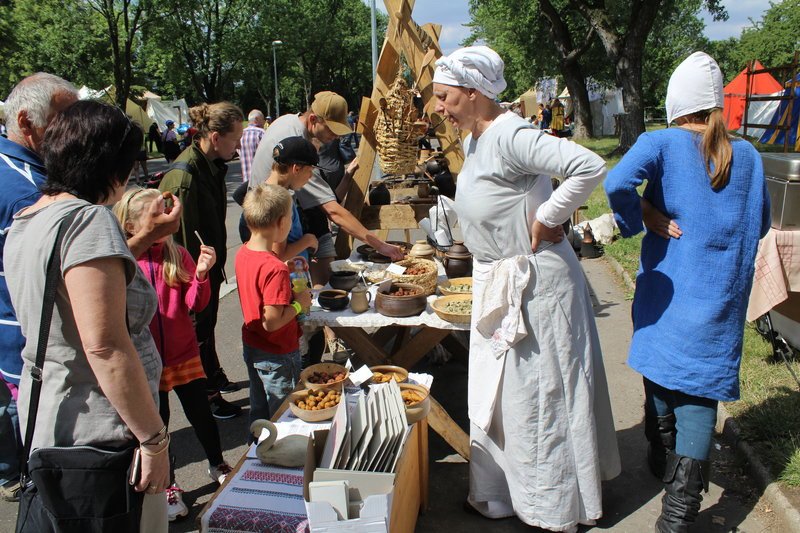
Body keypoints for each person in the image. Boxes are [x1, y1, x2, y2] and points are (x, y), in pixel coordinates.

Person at [432, 46, 620, 531]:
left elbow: (588, 166)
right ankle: (506, 492)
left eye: (445, 97)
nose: (439, 107)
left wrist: (549, 217)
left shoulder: (511, 133)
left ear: (473, 94)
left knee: (540, 395)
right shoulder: (477, 138)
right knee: (505, 397)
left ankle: (553, 505)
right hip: (503, 278)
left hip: (536, 285)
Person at [604, 51, 771, 533]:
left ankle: (665, 467)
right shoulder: (750, 156)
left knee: (660, 367)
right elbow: (758, 225)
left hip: (666, 290)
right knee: (699, 395)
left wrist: (642, 217)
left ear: (675, 104)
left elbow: (616, 181)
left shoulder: (661, 142)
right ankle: (678, 511)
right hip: (719, 294)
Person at [5, 99, 170, 532]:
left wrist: (146, 236)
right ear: (112, 167)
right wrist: (154, 442)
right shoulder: (88, 219)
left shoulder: (29, 218)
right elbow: (105, 344)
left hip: (54, 422)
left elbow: (78, 292)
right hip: (101, 432)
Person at [114, 188, 233, 521]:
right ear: (129, 225)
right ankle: (169, 485)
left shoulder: (177, 253)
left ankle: (217, 463)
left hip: (183, 353)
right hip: (146, 361)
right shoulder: (123, 259)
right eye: (155, 217)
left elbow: (195, 303)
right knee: (159, 426)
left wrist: (203, 274)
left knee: (202, 414)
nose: (166, 221)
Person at [0, 72, 78, 504]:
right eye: (64, 121)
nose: (74, 131)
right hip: (35, 348)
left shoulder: (27, 174)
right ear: (28, 123)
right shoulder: (28, 191)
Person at [249, 91, 403, 286]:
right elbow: (333, 210)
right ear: (313, 119)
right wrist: (380, 245)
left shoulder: (288, 120)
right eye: (332, 130)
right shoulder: (297, 149)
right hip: (270, 223)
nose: (336, 136)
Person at [159, 102, 244, 419]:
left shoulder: (210, 164)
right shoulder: (185, 176)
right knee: (197, 336)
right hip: (194, 278)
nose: (238, 147)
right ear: (217, 137)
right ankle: (208, 397)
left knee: (206, 331)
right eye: (235, 140)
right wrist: (195, 283)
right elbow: (177, 244)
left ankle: (213, 376)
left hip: (208, 270)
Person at [235, 183, 312, 425]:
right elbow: (271, 321)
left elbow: (258, 287)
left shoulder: (244, 252)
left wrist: (286, 271)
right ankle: (278, 458)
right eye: (290, 218)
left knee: (259, 411)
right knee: (283, 415)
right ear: (281, 223)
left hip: (253, 344)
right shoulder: (274, 268)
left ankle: (255, 448)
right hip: (278, 351)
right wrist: (300, 304)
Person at [266, 136, 319, 262]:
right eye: (310, 171)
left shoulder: (262, 193)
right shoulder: (279, 202)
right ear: (296, 169)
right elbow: (278, 255)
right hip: (289, 278)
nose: (311, 176)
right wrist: (308, 240)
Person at [239, 109, 266, 183]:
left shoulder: (240, 135)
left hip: (246, 181)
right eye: (263, 119)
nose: (264, 122)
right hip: (261, 181)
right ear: (256, 119)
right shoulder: (262, 133)